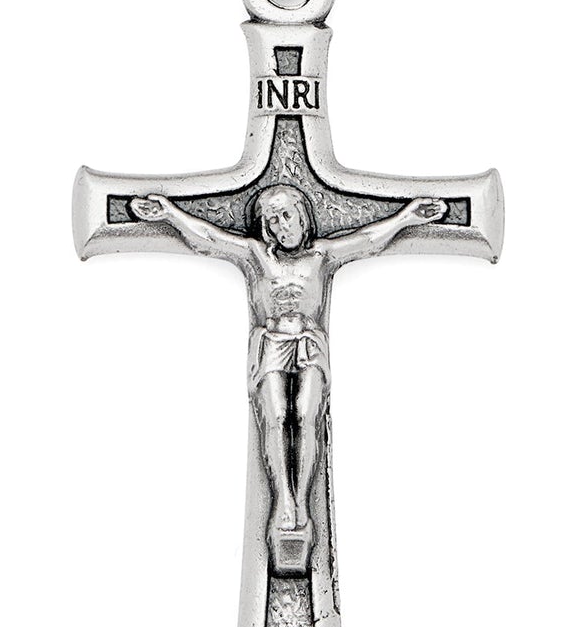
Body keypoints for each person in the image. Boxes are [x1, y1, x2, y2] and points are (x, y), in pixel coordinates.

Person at [130, 183, 447, 545]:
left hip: (309, 343)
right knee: (277, 416)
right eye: (272, 221)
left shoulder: (321, 256)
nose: (282, 226)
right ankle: (284, 500)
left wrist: (406, 218)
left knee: (308, 416)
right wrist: (170, 214)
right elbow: (210, 238)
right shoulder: (257, 256)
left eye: (286, 215)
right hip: (272, 344)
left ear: (302, 215)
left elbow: (368, 239)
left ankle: (302, 504)